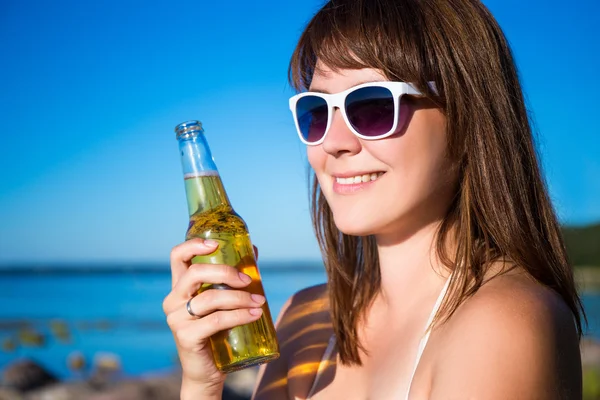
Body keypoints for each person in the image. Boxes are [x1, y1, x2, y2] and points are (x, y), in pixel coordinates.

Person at [162, 0, 586, 398]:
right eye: (317, 111)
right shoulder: (302, 317)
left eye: (372, 105)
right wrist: (201, 385)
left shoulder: (504, 324)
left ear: (467, 116)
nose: (334, 142)